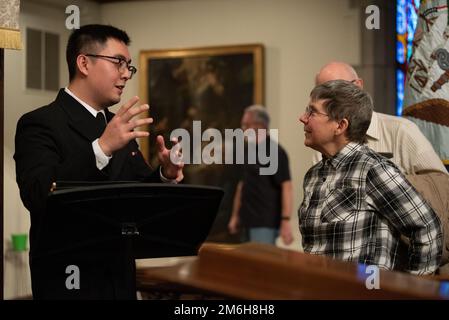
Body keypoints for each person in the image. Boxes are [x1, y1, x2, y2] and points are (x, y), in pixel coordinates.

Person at [14, 24, 183, 299]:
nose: (126, 74)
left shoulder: (116, 125)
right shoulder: (40, 123)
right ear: (84, 63)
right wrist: (101, 148)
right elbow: (37, 193)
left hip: (119, 277)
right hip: (69, 279)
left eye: (129, 66)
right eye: (118, 63)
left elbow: (138, 193)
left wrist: (164, 173)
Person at [298, 80, 442, 274]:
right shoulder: (313, 175)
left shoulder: (373, 169)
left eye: (312, 112)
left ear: (340, 125)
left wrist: (413, 287)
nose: (302, 118)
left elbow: (427, 228)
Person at [312, 62, 447, 175]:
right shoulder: (324, 141)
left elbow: (440, 184)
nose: (331, 102)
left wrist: (391, 187)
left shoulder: (401, 131)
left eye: (337, 91)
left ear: (358, 86)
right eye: (323, 96)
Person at [228, 105, 293, 246]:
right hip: (246, 221)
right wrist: (235, 216)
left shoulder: (276, 151)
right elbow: (242, 185)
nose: (242, 129)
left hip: (265, 223)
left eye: (246, 125)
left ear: (259, 126)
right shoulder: (245, 150)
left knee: (262, 266)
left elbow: (286, 186)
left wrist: (286, 221)